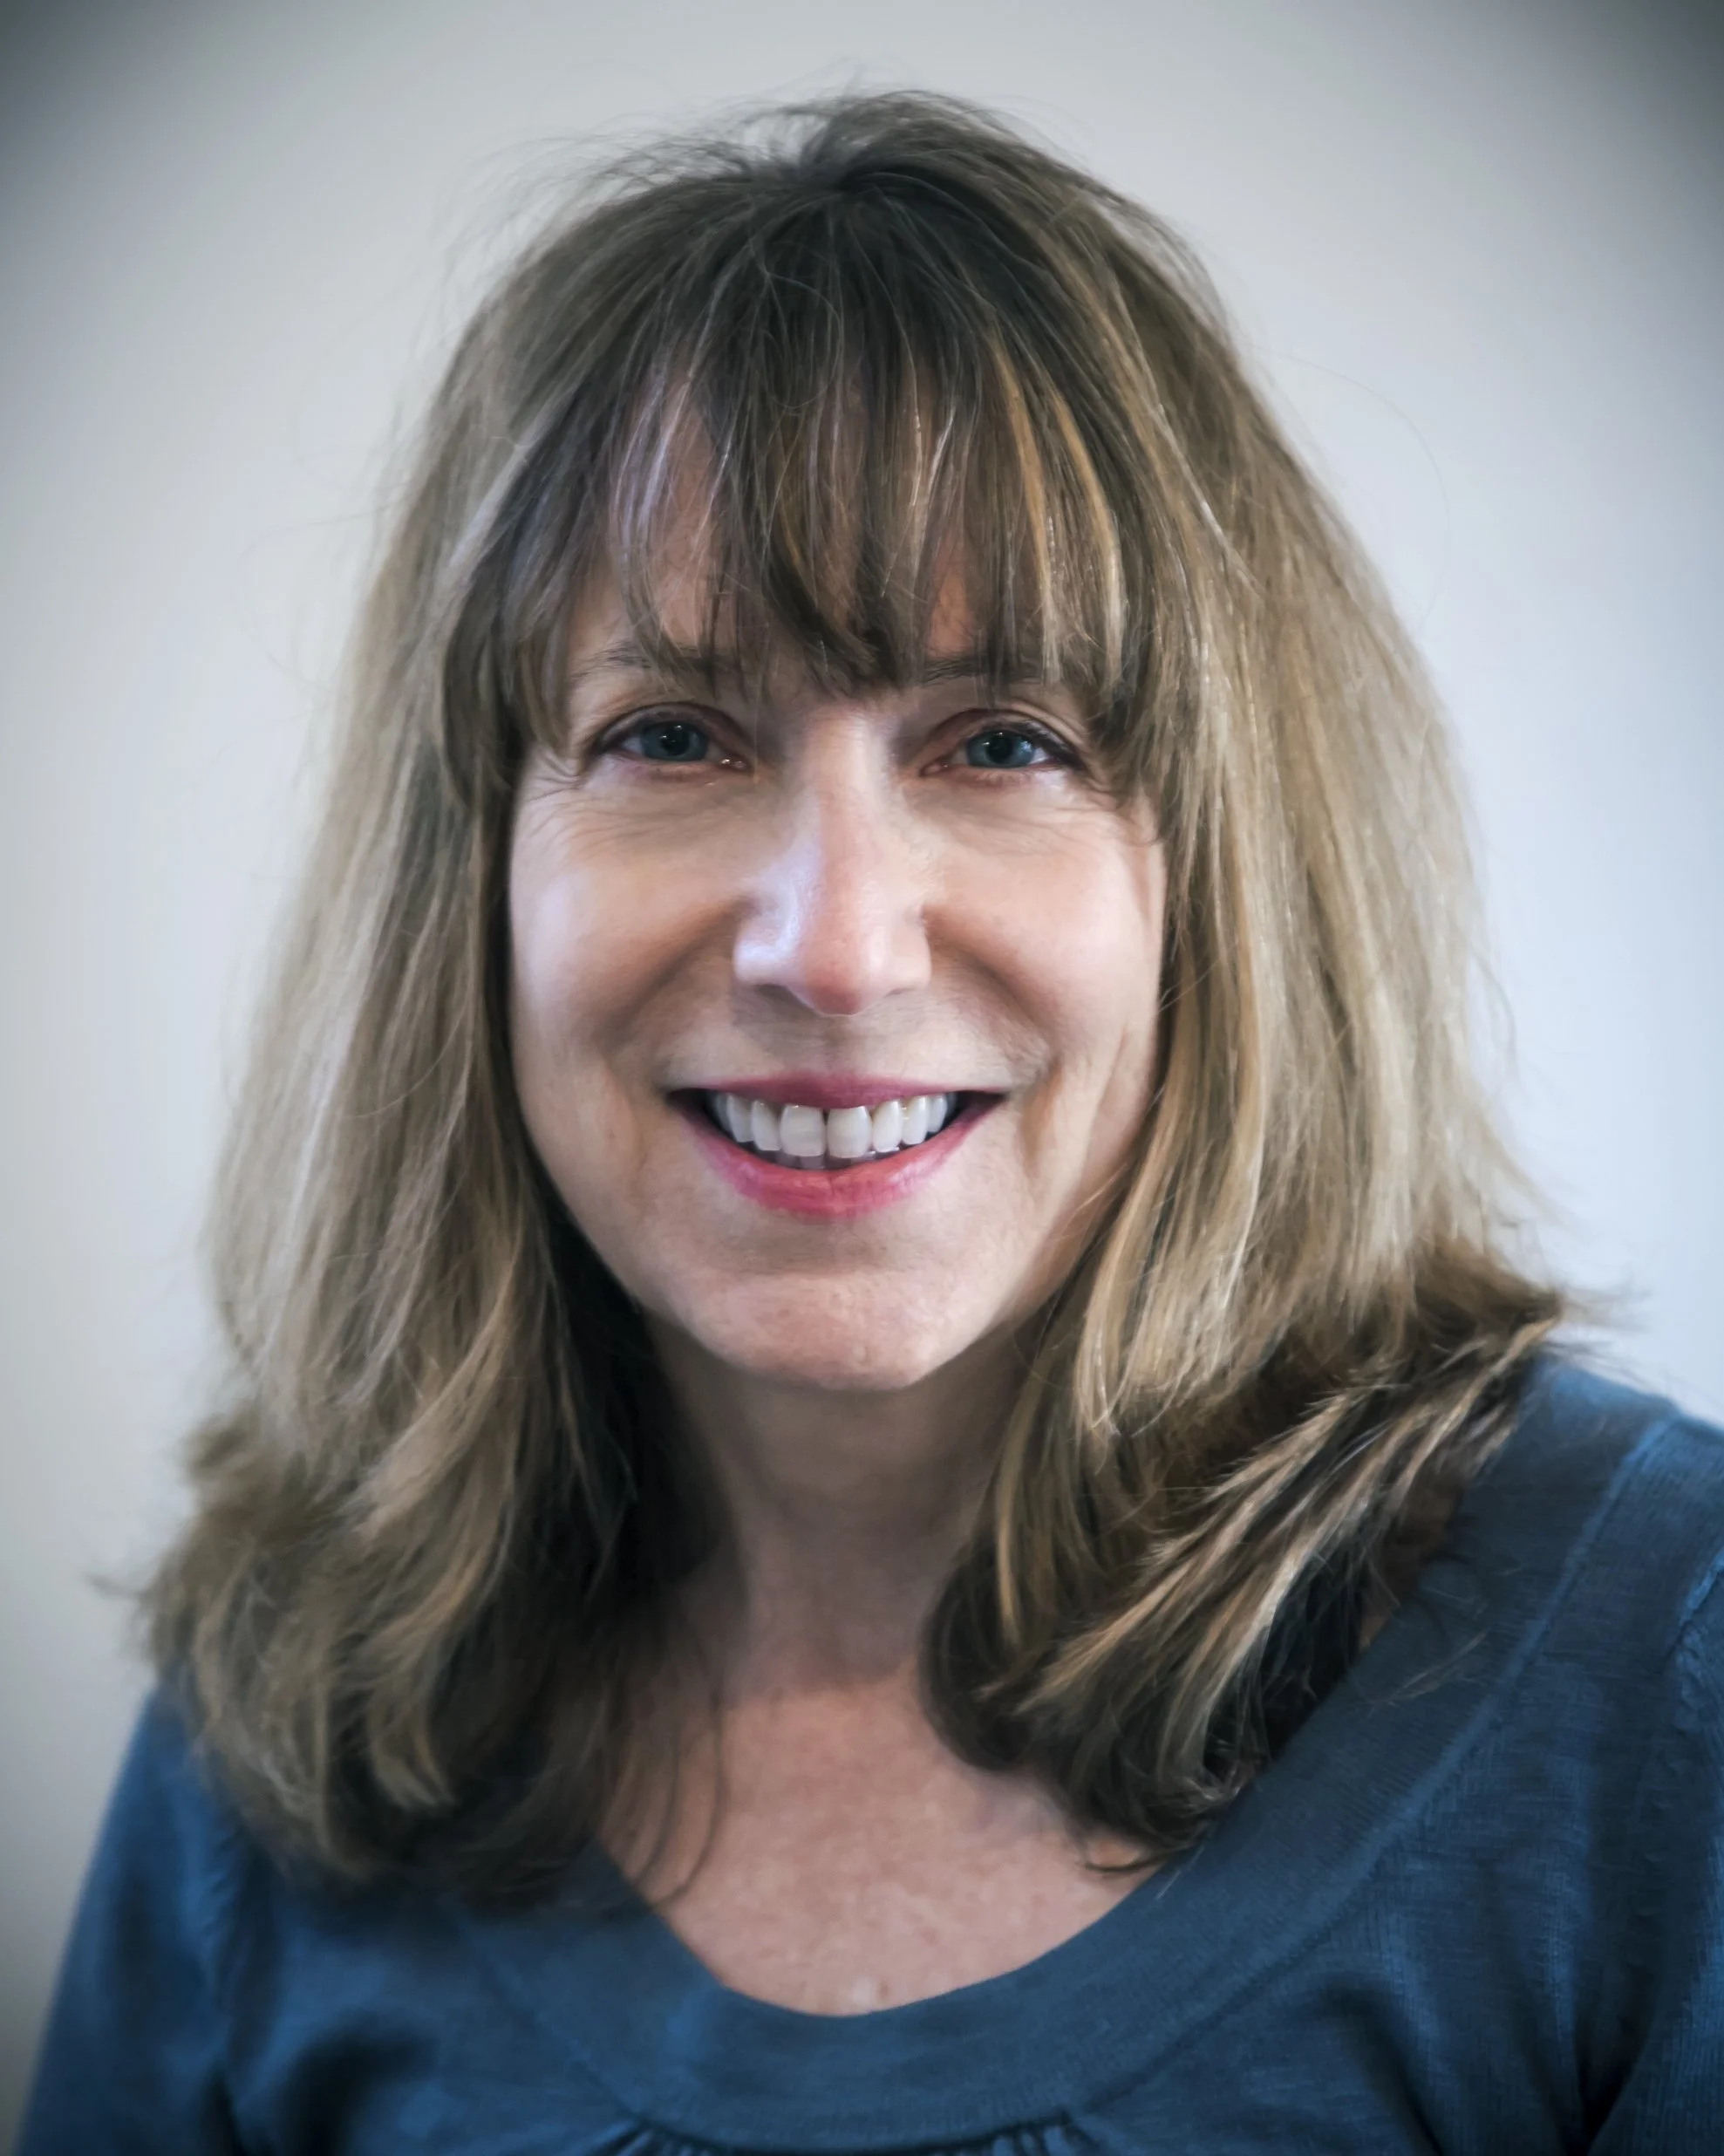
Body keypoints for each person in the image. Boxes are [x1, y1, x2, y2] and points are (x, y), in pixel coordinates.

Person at [20, 92, 1724, 2155]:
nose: (832, 947)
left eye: (1003, 743)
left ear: (1225, 882)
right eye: (669, 734)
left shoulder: (1665, 1667)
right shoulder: (287, 1725)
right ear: (470, 883)